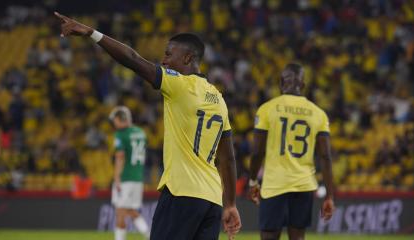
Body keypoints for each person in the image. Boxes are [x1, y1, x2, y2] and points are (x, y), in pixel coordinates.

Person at [54, 12, 241, 240]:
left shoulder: (179, 84)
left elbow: (133, 59)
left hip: (182, 193)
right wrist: (230, 203)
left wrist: (91, 33)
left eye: (169, 54)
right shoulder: (219, 99)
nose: (163, 60)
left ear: (187, 58)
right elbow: (228, 158)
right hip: (212, 200)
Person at [249, 63, 335, 240]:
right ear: (303, 85)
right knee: (298, 237)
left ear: (281, 83)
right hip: (304, 184)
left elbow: (257, 152)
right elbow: (325, 156)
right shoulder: (318, 114)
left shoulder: (267, 109)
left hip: (274, 184)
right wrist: (330, 196)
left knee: (269, 236)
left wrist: (252, 181)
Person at [109, 106, 149, 240]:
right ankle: (149, 235)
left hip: (125, 178)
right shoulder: (141, 132)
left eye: (115, 120)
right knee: (130, 211)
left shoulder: (120, 134)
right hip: (138, 177)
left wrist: (117, 178)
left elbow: (120, 156)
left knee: (120, 211)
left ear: (121, 119)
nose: (114, 123)